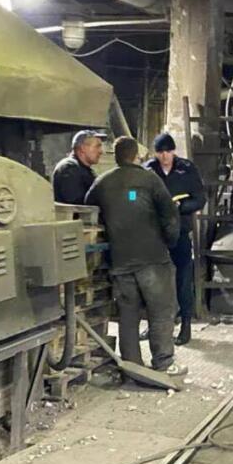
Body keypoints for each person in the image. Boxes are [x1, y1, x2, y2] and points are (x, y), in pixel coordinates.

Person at [85, 136, 187, 377]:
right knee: (160, 311)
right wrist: (170, 242)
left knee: (128, 316)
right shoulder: (150, 179)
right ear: (135, 156)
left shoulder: (102, 182)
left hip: (120, 260)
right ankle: (163, 362)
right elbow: (170, 215)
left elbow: (88, 209)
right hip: (152, 258)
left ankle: (132, 366)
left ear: (116, 156)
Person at [144, 132, 205, 346]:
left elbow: (200, 199)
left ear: (173, 151)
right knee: (152, 280)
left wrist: (181, 207)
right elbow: (134, 195)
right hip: (155, 233)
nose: (164, 156)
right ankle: (153, 325)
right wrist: (137, 204)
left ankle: (186, 324)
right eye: (160, 152)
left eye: (168, 152)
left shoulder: (186, 169)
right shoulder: (148, 170)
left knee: (183, 277)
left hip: (179, 230)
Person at [52, 129, 105, 205]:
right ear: (83, 148)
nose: (101, 151)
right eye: (97, 146)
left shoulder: (84, 170)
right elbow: (76, 203)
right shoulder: (69, 168)